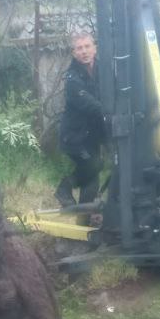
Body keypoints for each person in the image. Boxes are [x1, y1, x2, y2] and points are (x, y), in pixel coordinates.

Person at [56, 32, 107, 208]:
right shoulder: (72, 79)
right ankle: (64, 188)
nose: (84, 51)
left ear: (95, 48)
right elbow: (90, 105)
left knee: (92, 179)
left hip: (91, 136)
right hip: (74, 137)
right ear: (74, 53)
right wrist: (111, 111)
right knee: (94, 165)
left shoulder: (103, 70)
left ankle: (83, 215)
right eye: (79, 48)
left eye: (87, 46)